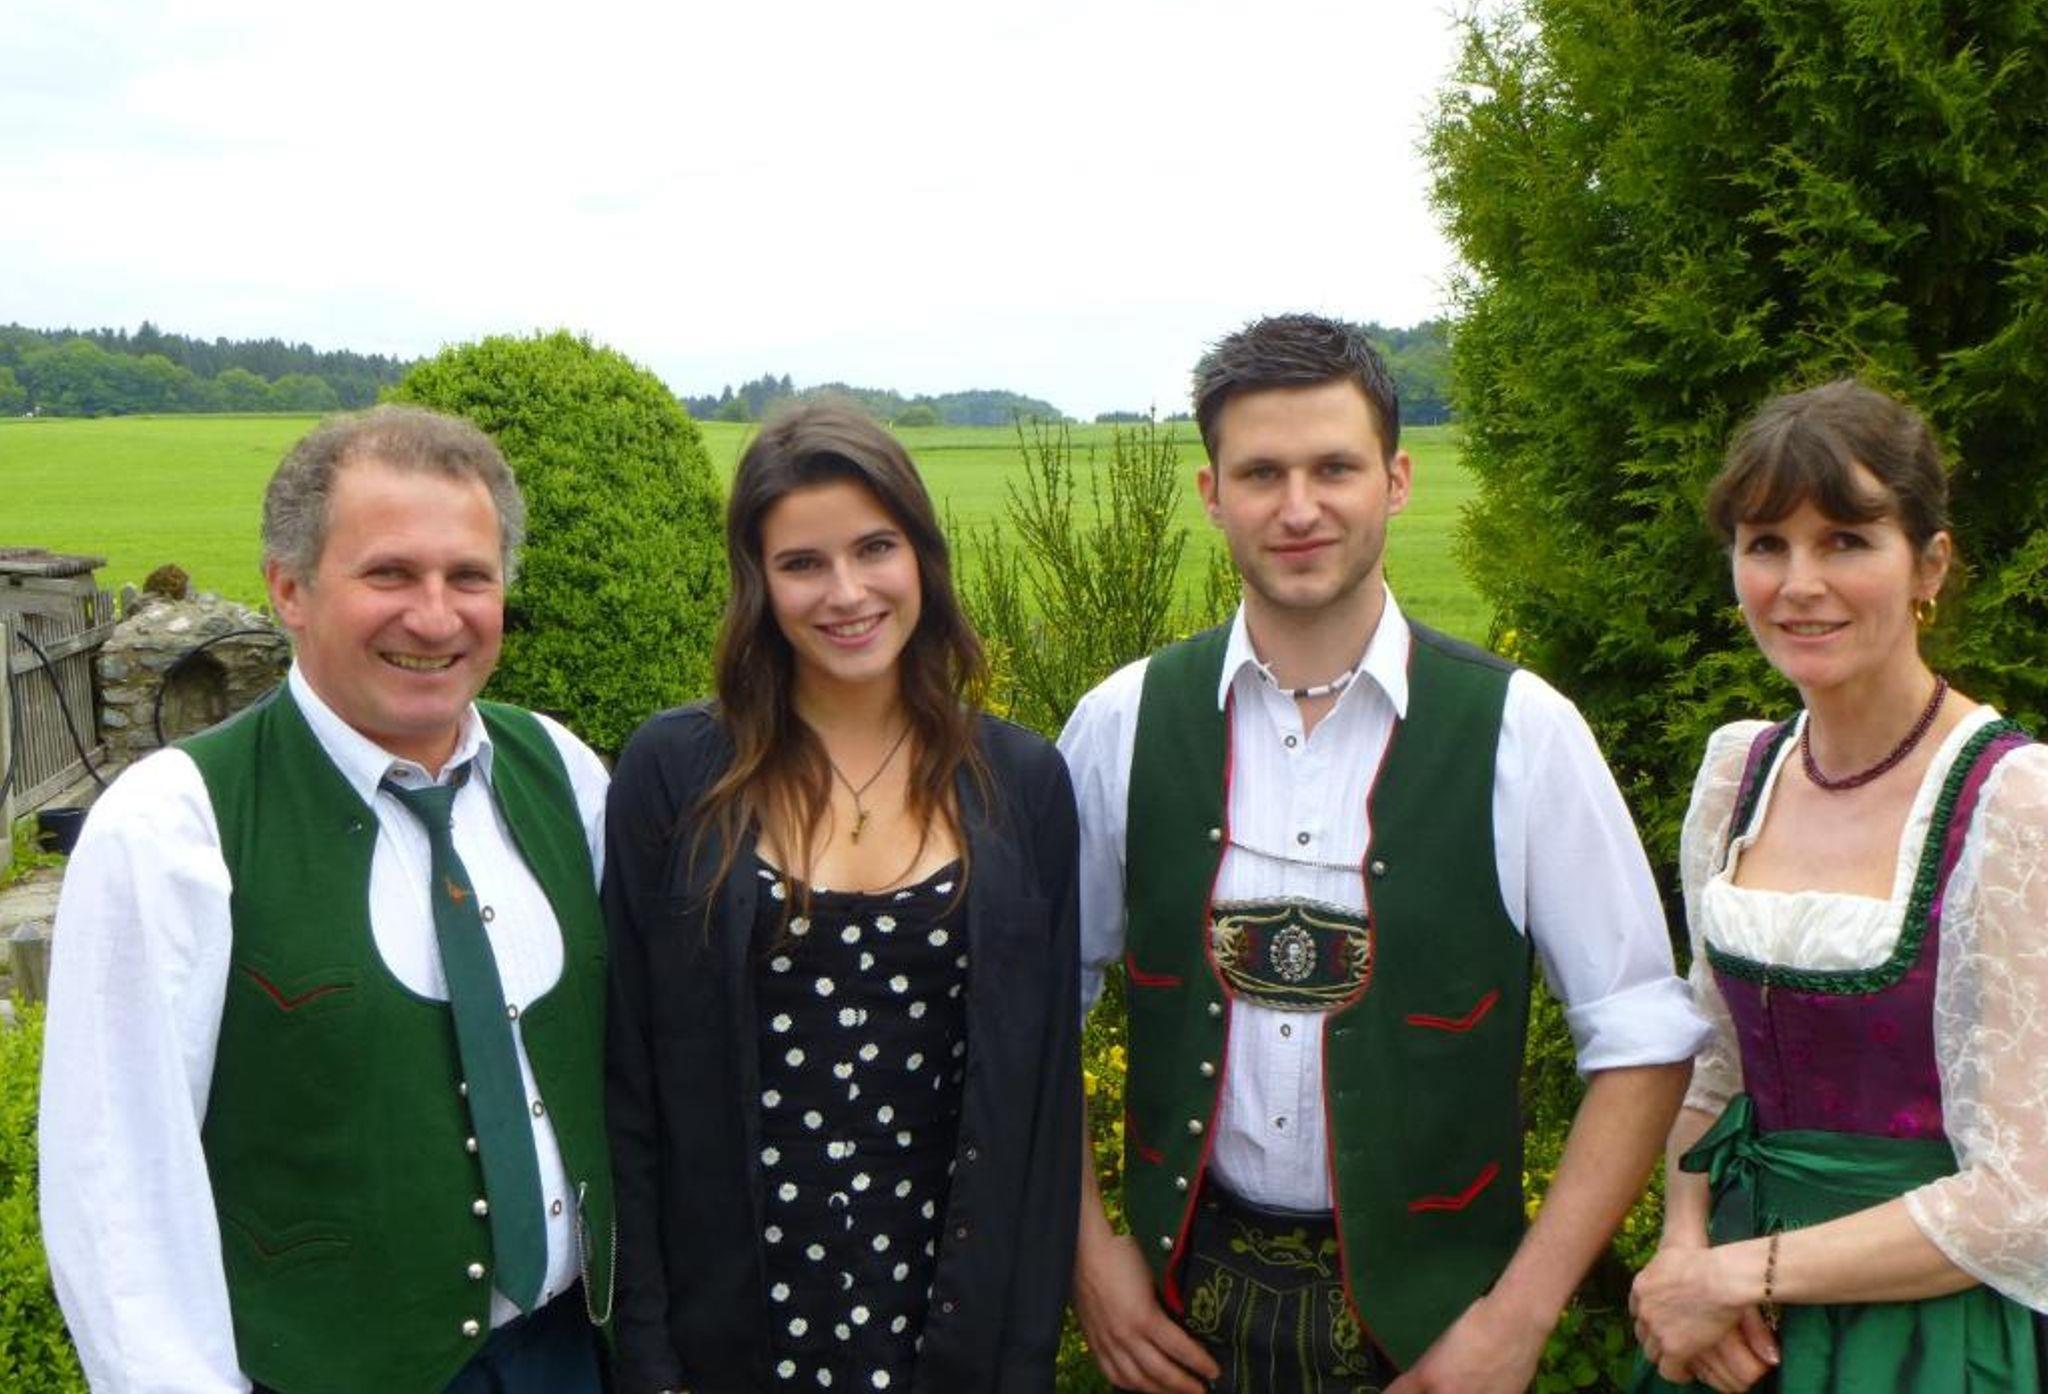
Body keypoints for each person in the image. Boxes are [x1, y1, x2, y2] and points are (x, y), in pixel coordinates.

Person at [1060, 313, 1708, 1394]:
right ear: (1210, 492)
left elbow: (1640, 1036)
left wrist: (1517, 1320)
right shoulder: (1122, 722)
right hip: (1178, 1316)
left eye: (1334, 467)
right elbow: (1032, 1006)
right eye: (1260, 473)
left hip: (1437, 1336)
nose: (1298, 507)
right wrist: (1090, 1258)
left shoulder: (1522, 732)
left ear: (1395, 480)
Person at [39, 406, 614, 1394]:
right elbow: (116, 1186)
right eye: (389, 573)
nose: (435, 615)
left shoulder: (562, 770)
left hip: (568, 1355)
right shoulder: (175, 824)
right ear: (289, 588)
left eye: (469, 576)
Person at [603, 401, 1081, 1394]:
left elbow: (1040, 1098)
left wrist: (1023, 1356)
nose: (847, 592)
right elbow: (629, 1084)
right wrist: (647, 1357)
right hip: (733, 1338)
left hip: (947, 1337)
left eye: (875, 548)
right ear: (757, 581)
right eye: (802, 563)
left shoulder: (1021, 782)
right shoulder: (674, 773)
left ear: (922, 556)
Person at [1628, 381, 2048, 1393]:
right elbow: (1712, 1071)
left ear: (1928, 564)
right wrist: (1682, 1252)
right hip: (1730, 1326)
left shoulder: (2013, 804)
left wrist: (1736, 1272)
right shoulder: (1737, 774)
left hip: (1928, 1337)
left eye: (1846, 541)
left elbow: (2021, 1199)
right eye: (1765, 543)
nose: (1797, 583)